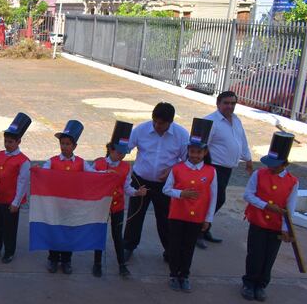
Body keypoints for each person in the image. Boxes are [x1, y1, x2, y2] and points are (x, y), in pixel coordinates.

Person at [122, 102, 189, 263]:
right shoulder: (141, 130)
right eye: (155, 121)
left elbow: (187, 160)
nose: (158, 126)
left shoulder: (182, 135)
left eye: (162, 123)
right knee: (135, 215)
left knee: (165, 218)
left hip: (165, 184)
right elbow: (124, 148)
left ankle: (169, 250)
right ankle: (128, 247)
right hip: (140, 180)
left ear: (170, 122)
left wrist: (172, 170)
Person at [242, 132, 298, 302]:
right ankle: (249, 283)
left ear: (284, 164)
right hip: (257, 221)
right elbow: (248, 195)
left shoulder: (292, 182)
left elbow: (290, 207)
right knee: (255, 254)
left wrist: (286, 230)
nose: (271, 168)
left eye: (275, 165)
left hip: (276, 225)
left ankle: (261, 284)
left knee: (269, 256)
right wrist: (265, 205)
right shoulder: (258, 174)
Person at [162, 118, 217, 293]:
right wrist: (181, 194)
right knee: (175, 246)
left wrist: (208, 219)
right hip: (177, 215)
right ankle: (173, 274)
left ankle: (184, 275)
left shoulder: (210, 171)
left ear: (205, 152)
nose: (195, 155)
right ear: (188, 151)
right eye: (192, 151)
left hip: (196, 218)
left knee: (189, 247)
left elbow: (213, 197)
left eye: (199, 152)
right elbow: (166, 189)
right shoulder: (177, 169)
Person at [90, 121, 147, 278]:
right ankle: (97, 263)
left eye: (123, 154)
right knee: (99, 234)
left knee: (117, 235)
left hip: (118, 206)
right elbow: (88, 181)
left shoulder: (125, 167)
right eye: (118, 153)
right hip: (101, 206)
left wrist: (137, 193)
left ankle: (122, 265)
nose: (121, 156)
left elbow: (126, 187)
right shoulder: (98, 163)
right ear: (110, 149)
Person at [201, 90, 253, 247]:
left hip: (227, 168)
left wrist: (248, 159)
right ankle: (198, 230)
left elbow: (242, 141)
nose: (230, 106)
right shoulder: (210, 121)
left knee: (214, 200)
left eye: (232, 103)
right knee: (215, 199)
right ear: (218, 104)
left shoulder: (236, 120)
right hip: (214, 167)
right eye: (226, 103)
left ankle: (204, 228)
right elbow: (202, 145)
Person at [43, 120, 92, 274]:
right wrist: (37, 171)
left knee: (68, 233)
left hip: (72, 206)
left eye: (67, 144)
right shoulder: (52, 161)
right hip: (55, 205)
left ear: (74, 146)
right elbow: (42, 175)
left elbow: (93, 175)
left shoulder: (81, 163)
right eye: (62, 143)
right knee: (54, 231)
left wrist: (106, 175)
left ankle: (66, 260)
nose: (64, 147)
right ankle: (53, 259)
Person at [0, 113, 31, 264]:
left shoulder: (23, 161)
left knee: (9, 228)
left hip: (10, 201)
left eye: (11, 142)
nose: (7, 144)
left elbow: (23, 183)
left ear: (18, 141)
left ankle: (9, 252)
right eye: (6, 141)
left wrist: (16, 202)